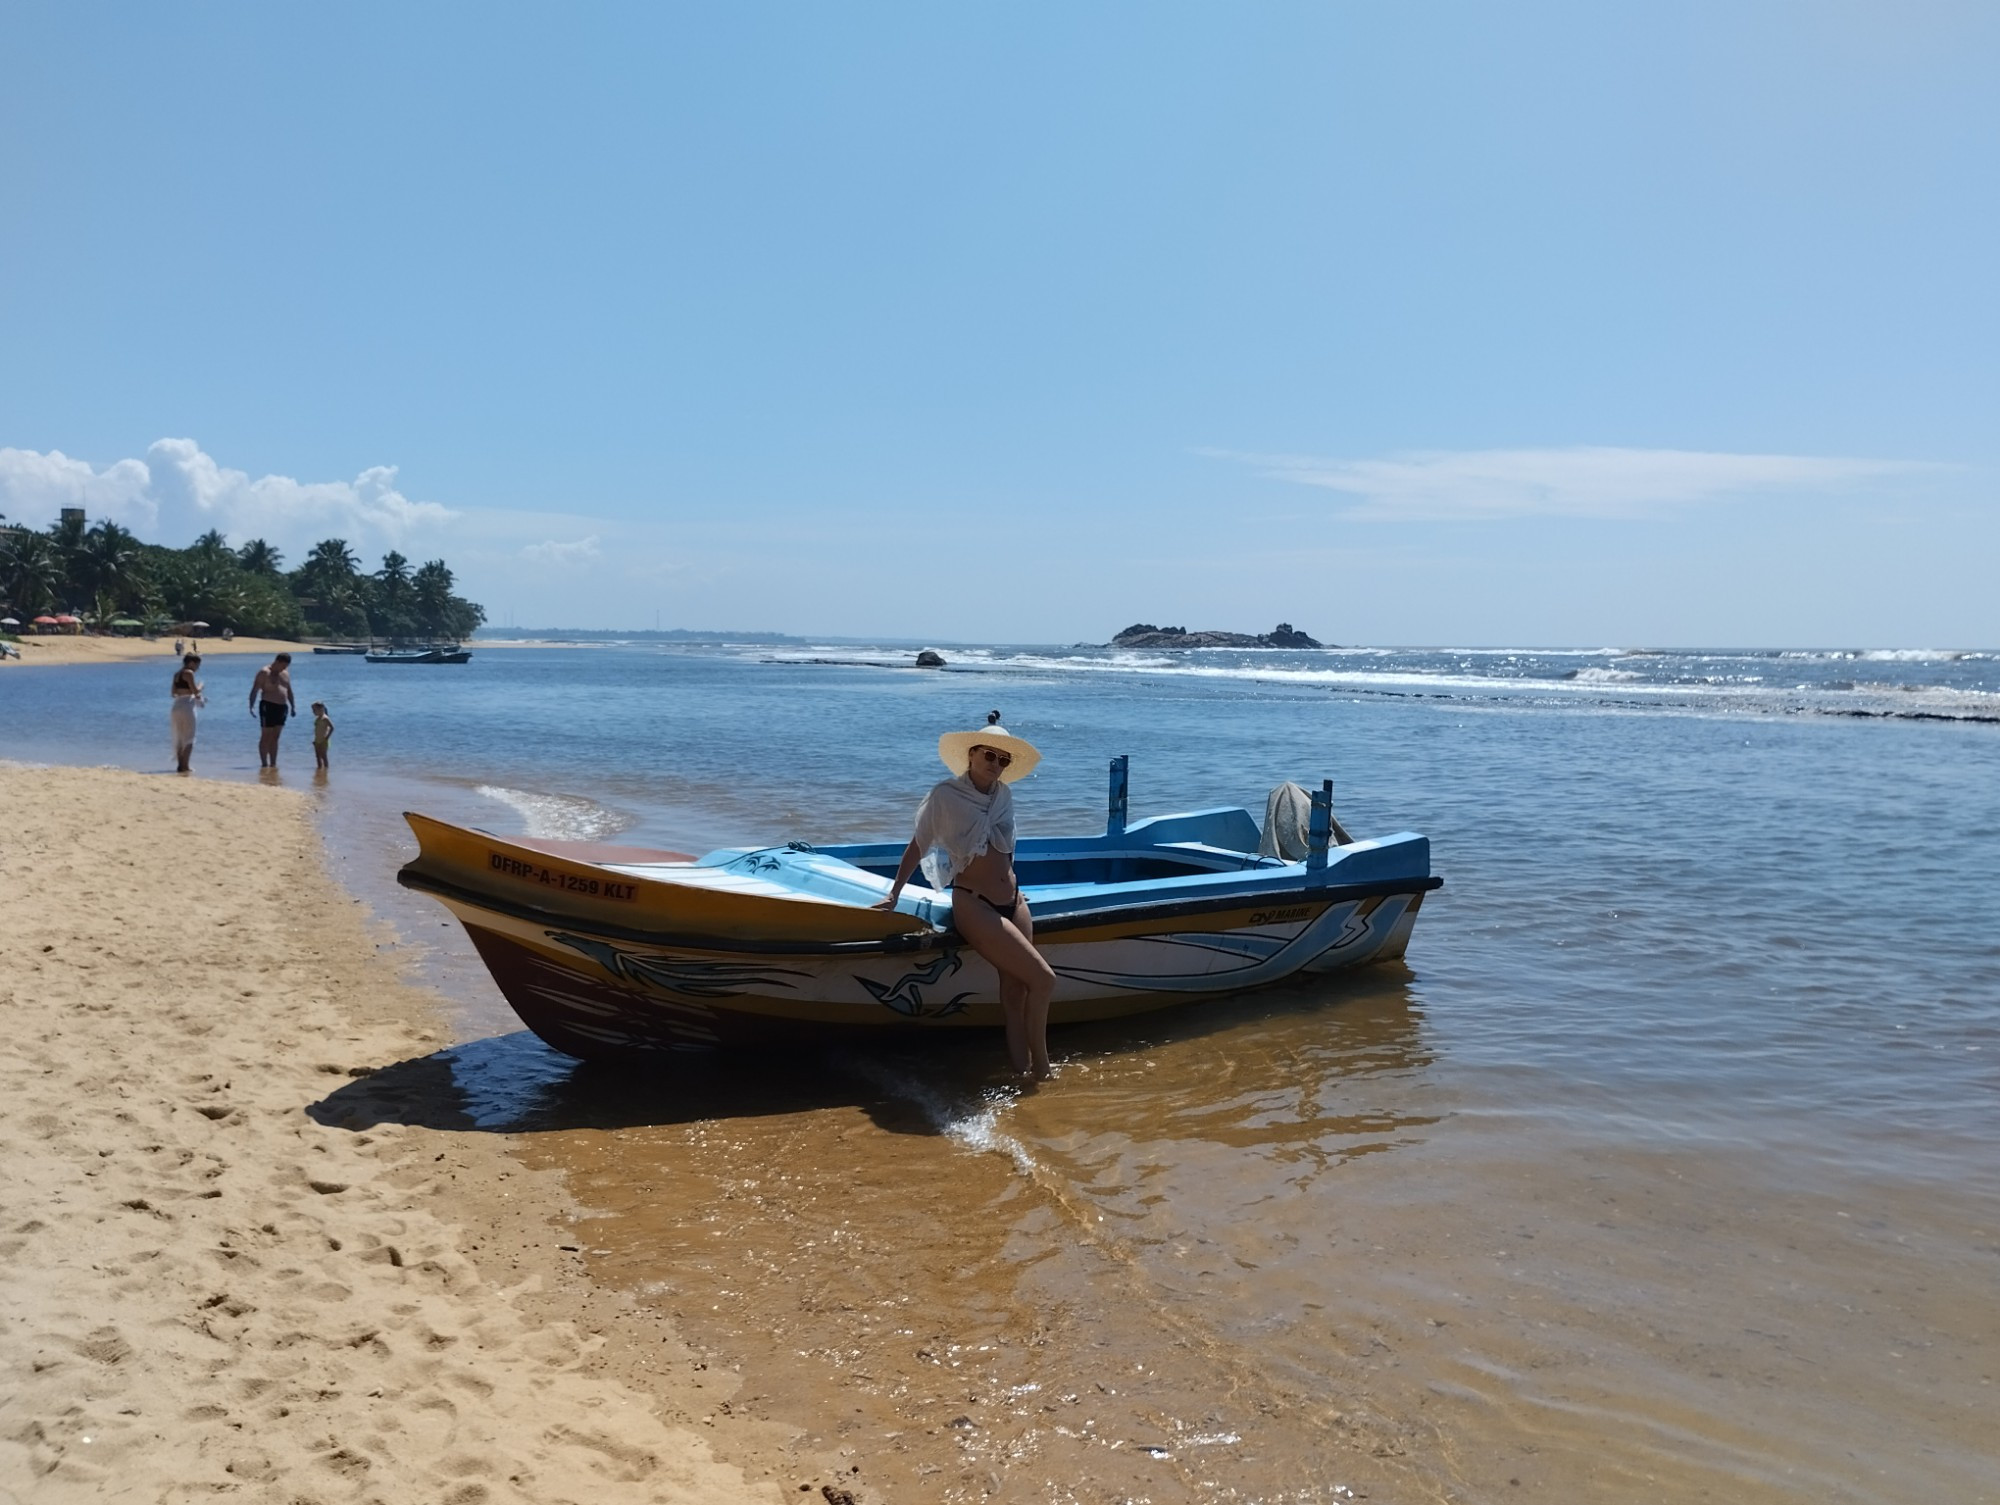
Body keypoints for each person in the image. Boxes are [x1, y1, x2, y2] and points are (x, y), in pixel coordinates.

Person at [876, 711, 1056, 1080]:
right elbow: (919, 844)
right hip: (974, 903)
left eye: (1003, 759)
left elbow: (1004, 852)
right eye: (989, 755)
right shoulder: (946, 796)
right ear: (971, 754)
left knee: (1015, 993)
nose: (996, 764)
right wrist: (893, 893)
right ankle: (1043, 1070)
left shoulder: (1003, 796)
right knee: (1044, 980)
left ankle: (1020, 1070)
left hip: (1014, 901)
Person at [249, 652, 296, 767]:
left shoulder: (285, 673)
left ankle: (273, 763)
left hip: (282, 707)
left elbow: (289, 690)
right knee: (266, 736)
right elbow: (255, 690)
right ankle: (264, 763)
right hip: (268, 705)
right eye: (283, 665)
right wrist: (251, 706)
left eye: (286, 666)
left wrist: (293, 706)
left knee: (276, 736)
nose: (284, 668)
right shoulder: (264, 672)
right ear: (277, 662)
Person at [169, 653, 205, 773]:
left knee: (179, 737)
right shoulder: (189, 673)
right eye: (197, 664)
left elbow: (173, 692)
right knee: (189, 736)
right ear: (191, 663)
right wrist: (200, 686)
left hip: (176, 705)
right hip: (187, 705)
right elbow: (195, 691)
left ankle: (180, 765)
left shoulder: (176, 674)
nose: (197, 668)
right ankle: (186, 766)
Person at [310, 701, 335, 770]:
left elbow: (332, 728)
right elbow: (317, 730)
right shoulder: (317, 719)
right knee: (317, 756)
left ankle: (326, 770)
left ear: (321, 709)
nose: (313, 712)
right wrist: (315, 740)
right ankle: (319, 769)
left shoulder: (325, 718)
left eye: (314, 710)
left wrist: (327, 737)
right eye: (313, 710)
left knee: (324, 756)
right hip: (317, 740)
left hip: (324, 740)